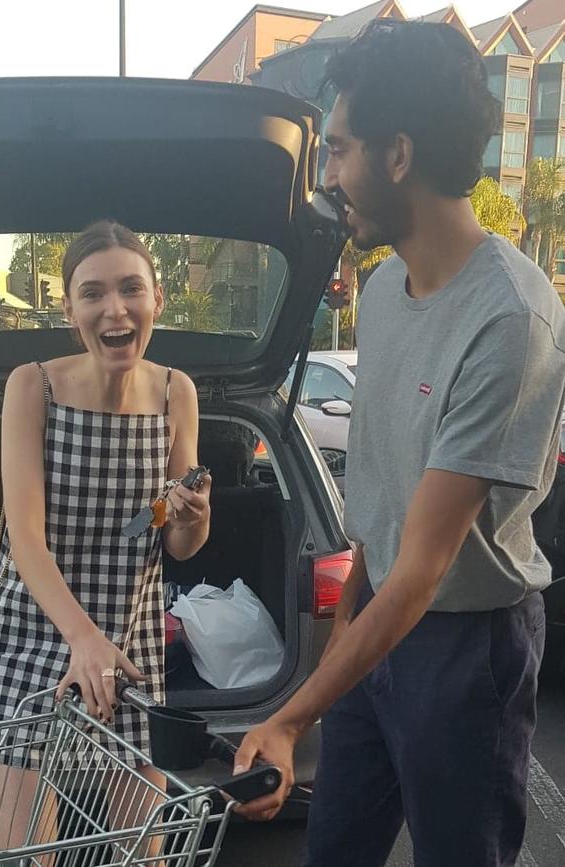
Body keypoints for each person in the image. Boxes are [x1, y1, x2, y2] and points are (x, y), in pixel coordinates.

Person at [234, 20, 565, 867]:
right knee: (336, 849)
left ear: (399, 156)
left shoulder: (510, 318)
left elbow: (424, 573)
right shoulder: (382, 288)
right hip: (376, 624)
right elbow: (381, 534)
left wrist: (285, 716)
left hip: (467, 652)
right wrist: (343, 638)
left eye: (339, 150)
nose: (330, 175)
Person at [0, 221, 211, 860]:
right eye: (94, 293)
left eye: (132, 288)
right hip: (34, 634)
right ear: (70, 308)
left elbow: (176, 542)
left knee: (143, 852)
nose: (115, 308)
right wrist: (81, 639)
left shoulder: (174, 393)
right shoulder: (35, 386)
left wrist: (192, 515)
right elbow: (25, 538)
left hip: (128, 646)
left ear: (157, 299)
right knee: (29, 853)